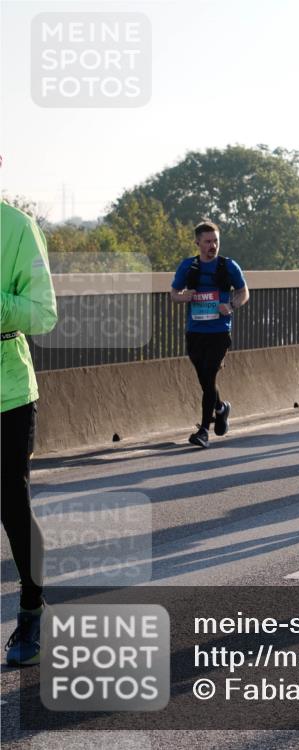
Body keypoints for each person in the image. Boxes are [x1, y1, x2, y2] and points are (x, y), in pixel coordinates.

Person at [2, 196, 58, 666]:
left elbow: (43, 313)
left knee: (11, 504)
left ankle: (31, 607)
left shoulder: (17, 227)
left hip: (8, 394)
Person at [170, 221, 249, 448]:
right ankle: (220, 408)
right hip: (195, 331)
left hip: (219, 331)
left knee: (209, 372)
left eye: (215, 241)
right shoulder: (188, 267)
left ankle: (204, 430)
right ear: (198, 243)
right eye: (207, 241)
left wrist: (232, 306)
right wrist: (185, 296)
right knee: (205, 379)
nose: (212, 245)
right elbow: (174, 293)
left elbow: (244, 292)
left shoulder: (228, 266)